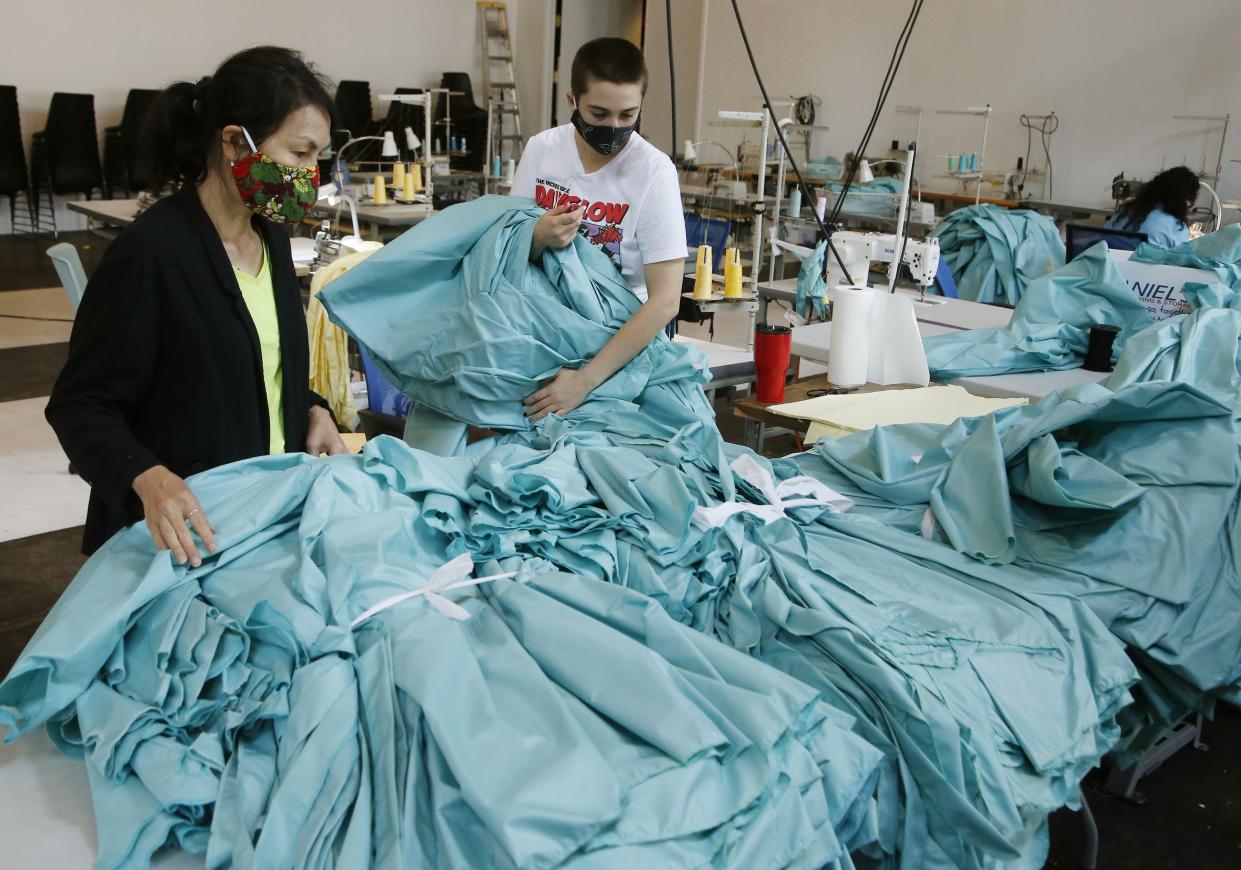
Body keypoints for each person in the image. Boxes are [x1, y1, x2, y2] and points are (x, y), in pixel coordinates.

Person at [46, 46, 347, 564]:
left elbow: (259, 362)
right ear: (234, 142)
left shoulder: (270, 239)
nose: (311, 175)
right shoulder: (151, 255)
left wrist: (313, 408)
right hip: (182, 536)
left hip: (261, 516)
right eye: (300, 154)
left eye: (318, 156)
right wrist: (146, 476)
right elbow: (80, 405)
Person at [511, 37, 687, 422]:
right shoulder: (542, 151)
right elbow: (505, 247)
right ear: (571, 100)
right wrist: (537, 238)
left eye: (628, 115)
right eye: (599, 113)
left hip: (615, 346)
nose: (614, 127)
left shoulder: (654, 173)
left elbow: (665, 302)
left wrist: (585, 380)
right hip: (538, 332)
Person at [1105, 165, 1199, 248]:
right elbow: (1178, 260)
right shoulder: (1176, 228)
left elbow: (1102, 240)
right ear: (1185, 200)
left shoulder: (1122, 212)